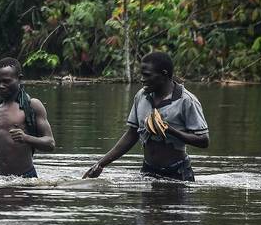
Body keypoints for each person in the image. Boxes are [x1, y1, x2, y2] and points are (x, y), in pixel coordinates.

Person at [83, 51, 209, 181]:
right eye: (142, 75)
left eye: (147, 75)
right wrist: (101, 164)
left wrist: (170, 131)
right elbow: (132, 134)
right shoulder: (141, 96)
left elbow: (204, 140)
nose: (142, 79)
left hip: (177, 173)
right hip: (148, 172)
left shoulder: (186, 101)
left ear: (164, 74)